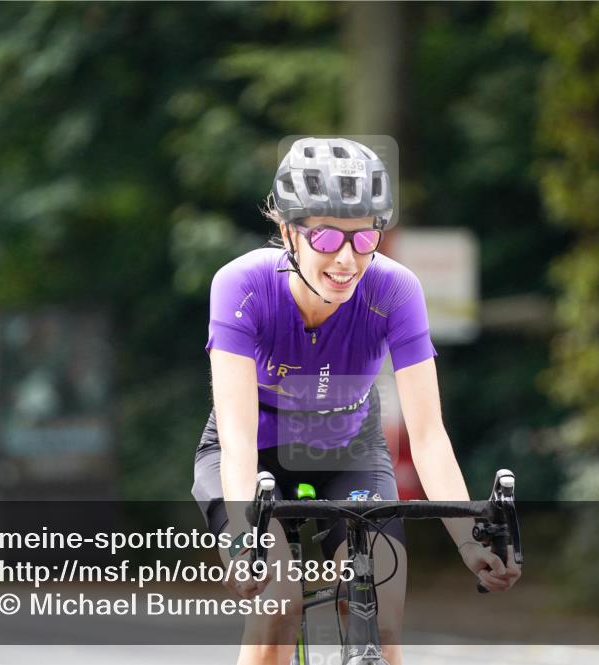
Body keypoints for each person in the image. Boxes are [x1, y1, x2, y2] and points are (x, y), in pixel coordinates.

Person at [191, 137, 520, 665]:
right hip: (252, 454)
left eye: (366, 237)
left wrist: (469, 541)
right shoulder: (242, 286)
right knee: (279, 603)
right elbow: (235, 435)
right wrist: (243, 539)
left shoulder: (395, 290)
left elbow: (429, 435)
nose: (346, 259)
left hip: (349, 454)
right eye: (324, 237)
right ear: (287, 233)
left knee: (382, 617)